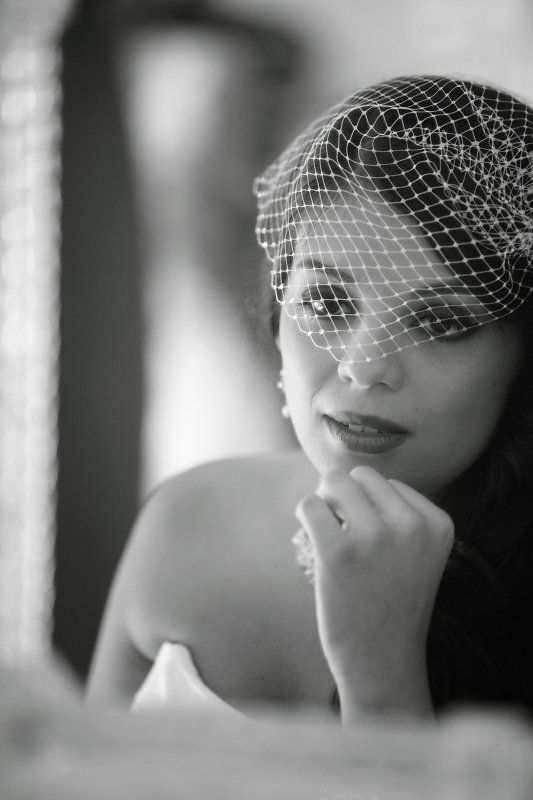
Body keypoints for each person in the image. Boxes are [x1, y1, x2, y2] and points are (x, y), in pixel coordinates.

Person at [86, 75, 533, 724]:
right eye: (326, 302)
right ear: (276, 310)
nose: (363, 368)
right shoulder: (187, 520)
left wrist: (378, 670)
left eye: (441, 323)